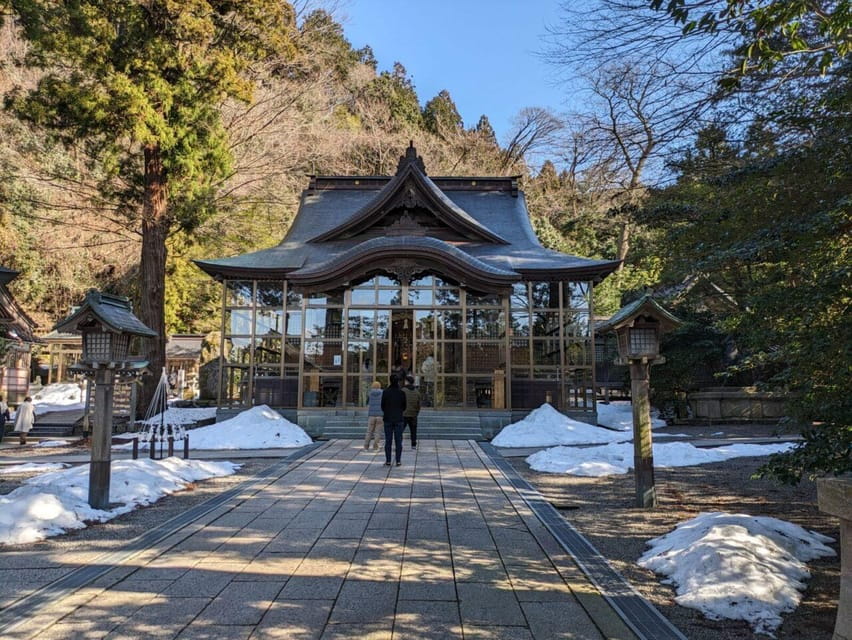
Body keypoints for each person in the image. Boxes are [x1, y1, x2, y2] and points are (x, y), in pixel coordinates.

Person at [380, 373, 406, 466]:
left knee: (388, 440)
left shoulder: (386, 392)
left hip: (388, 418)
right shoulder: (401, 392)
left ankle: (388, 460)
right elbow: (404, 406)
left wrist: (387, 411)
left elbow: (382, 406)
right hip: (399, 419)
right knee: (398, 441)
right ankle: (398, 460)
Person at [402, 375, 421, 449]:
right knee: (413, 431)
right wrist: (416, 412)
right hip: (413, 414)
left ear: (407, 381)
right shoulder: (417, 392)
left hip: (404, 414)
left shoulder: (403, 390)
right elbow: (419, 404)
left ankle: (399, 444)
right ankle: (413, 445)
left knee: (400, 430)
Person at [364, 381, 383, 451]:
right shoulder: (382, 393)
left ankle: (366, 446)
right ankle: (375, 447)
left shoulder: (370, 393)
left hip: (371, 415)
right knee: (377, 432)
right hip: (380, 415)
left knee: (369, 431)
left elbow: (368, 403)